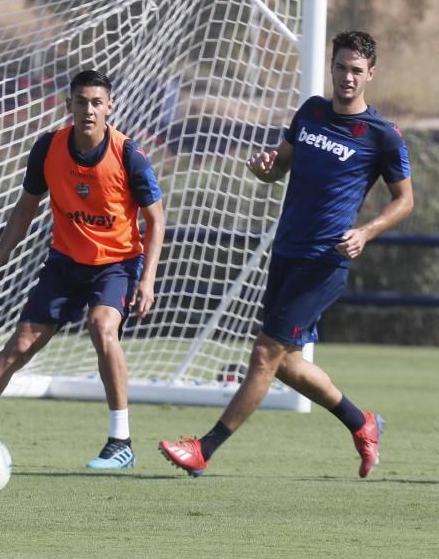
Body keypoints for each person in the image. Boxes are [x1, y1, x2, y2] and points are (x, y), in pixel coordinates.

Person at [159, 31, 414, 479]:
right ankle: (363, 423)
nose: (348, 76)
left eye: (357, 70)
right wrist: (266, 168)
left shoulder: (382, 136)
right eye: (341, 66)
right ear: (331, 67)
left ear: (370, 74)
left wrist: (367, 232)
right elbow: (279, 165)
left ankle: (204, 448)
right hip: (287, 251)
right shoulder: (311, 112)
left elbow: (405, 200)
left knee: (264, 354)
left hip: (325, 260)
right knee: (287, 363)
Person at [0, 70, 166, 470]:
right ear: (69, 106)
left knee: (102, 325)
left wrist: (147, 279)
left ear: (110, 107)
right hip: (65, 264)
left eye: (97, 102)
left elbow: (156, 219)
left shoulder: (128, 154)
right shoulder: (48, 148)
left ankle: (121, 441)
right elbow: (25, 211)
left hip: (116, 264)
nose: (89, 110)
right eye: (81, 102)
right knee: (19, 345)